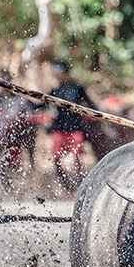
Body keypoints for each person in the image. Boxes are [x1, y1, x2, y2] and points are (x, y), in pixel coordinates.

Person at [46, 60, 97, 192]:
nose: (56, 74)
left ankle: (80, 187)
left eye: (58, 72)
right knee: (56, 159)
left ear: (65, 72)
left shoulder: (77, 88)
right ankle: (65, 187)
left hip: (75, 128)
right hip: (59, 129)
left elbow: (91, 106)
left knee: (75, 159)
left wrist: (91, 113)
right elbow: (42, 104)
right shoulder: (54, 91)